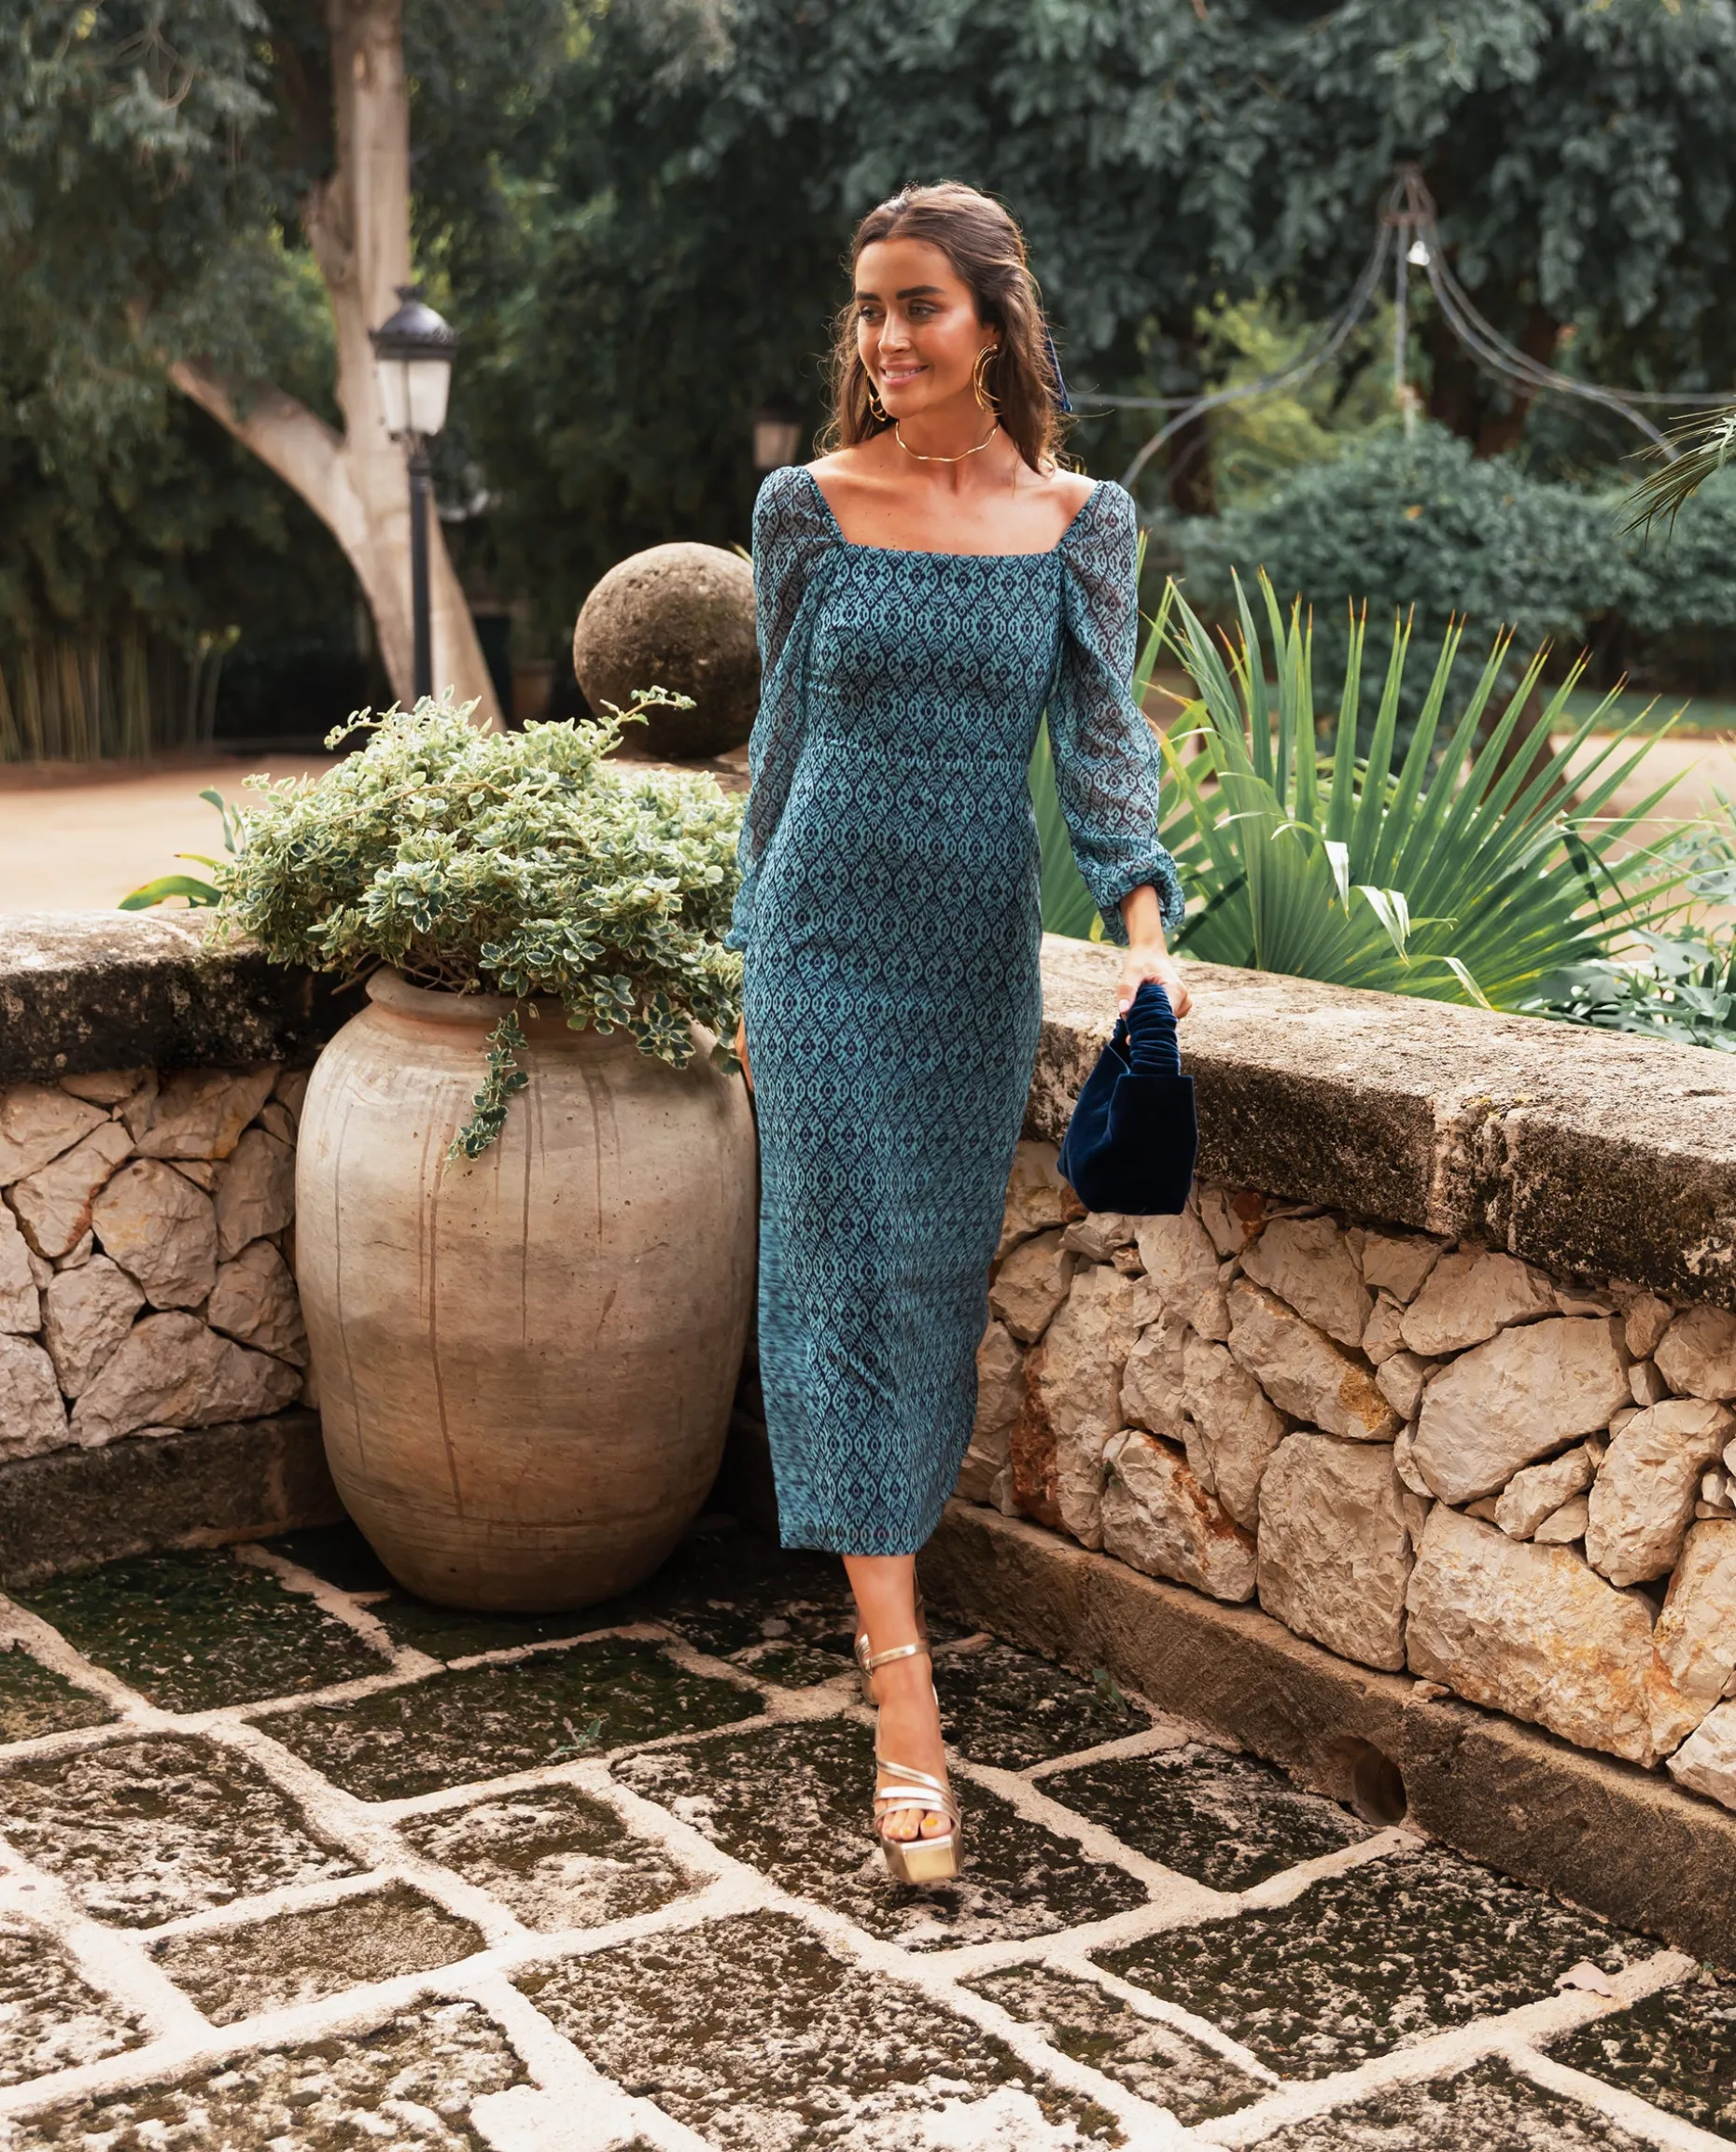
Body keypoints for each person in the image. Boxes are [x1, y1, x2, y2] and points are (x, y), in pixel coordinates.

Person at [725, 180, 1189, 1884]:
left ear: (994, 320)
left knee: (926, 1287)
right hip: (817, 950)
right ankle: (902, 1691)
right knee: (833, 1278)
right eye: (869, 310)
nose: (886, 339)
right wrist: (746, 956)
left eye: (918, 304)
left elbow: (1104, 749)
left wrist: (1146, 948)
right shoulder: (805, 508)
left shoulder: (1080, 520)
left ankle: (894, 1613)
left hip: (968, 968)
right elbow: (778, 752)